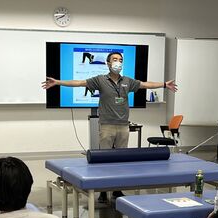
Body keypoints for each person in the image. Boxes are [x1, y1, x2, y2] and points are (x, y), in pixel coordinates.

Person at [43, 51, 177, 203]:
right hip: (106, 125)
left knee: (121, 160)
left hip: (123, 126)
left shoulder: (127, 81)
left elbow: (146, 84)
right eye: (114, 59)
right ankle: (103, 191)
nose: (118, 62)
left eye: (120, 60)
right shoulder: (100, 80)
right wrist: (58, 82)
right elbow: (79, 83)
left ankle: (117, 190)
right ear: (108, 63)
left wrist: (165, 84)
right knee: (105, 160)